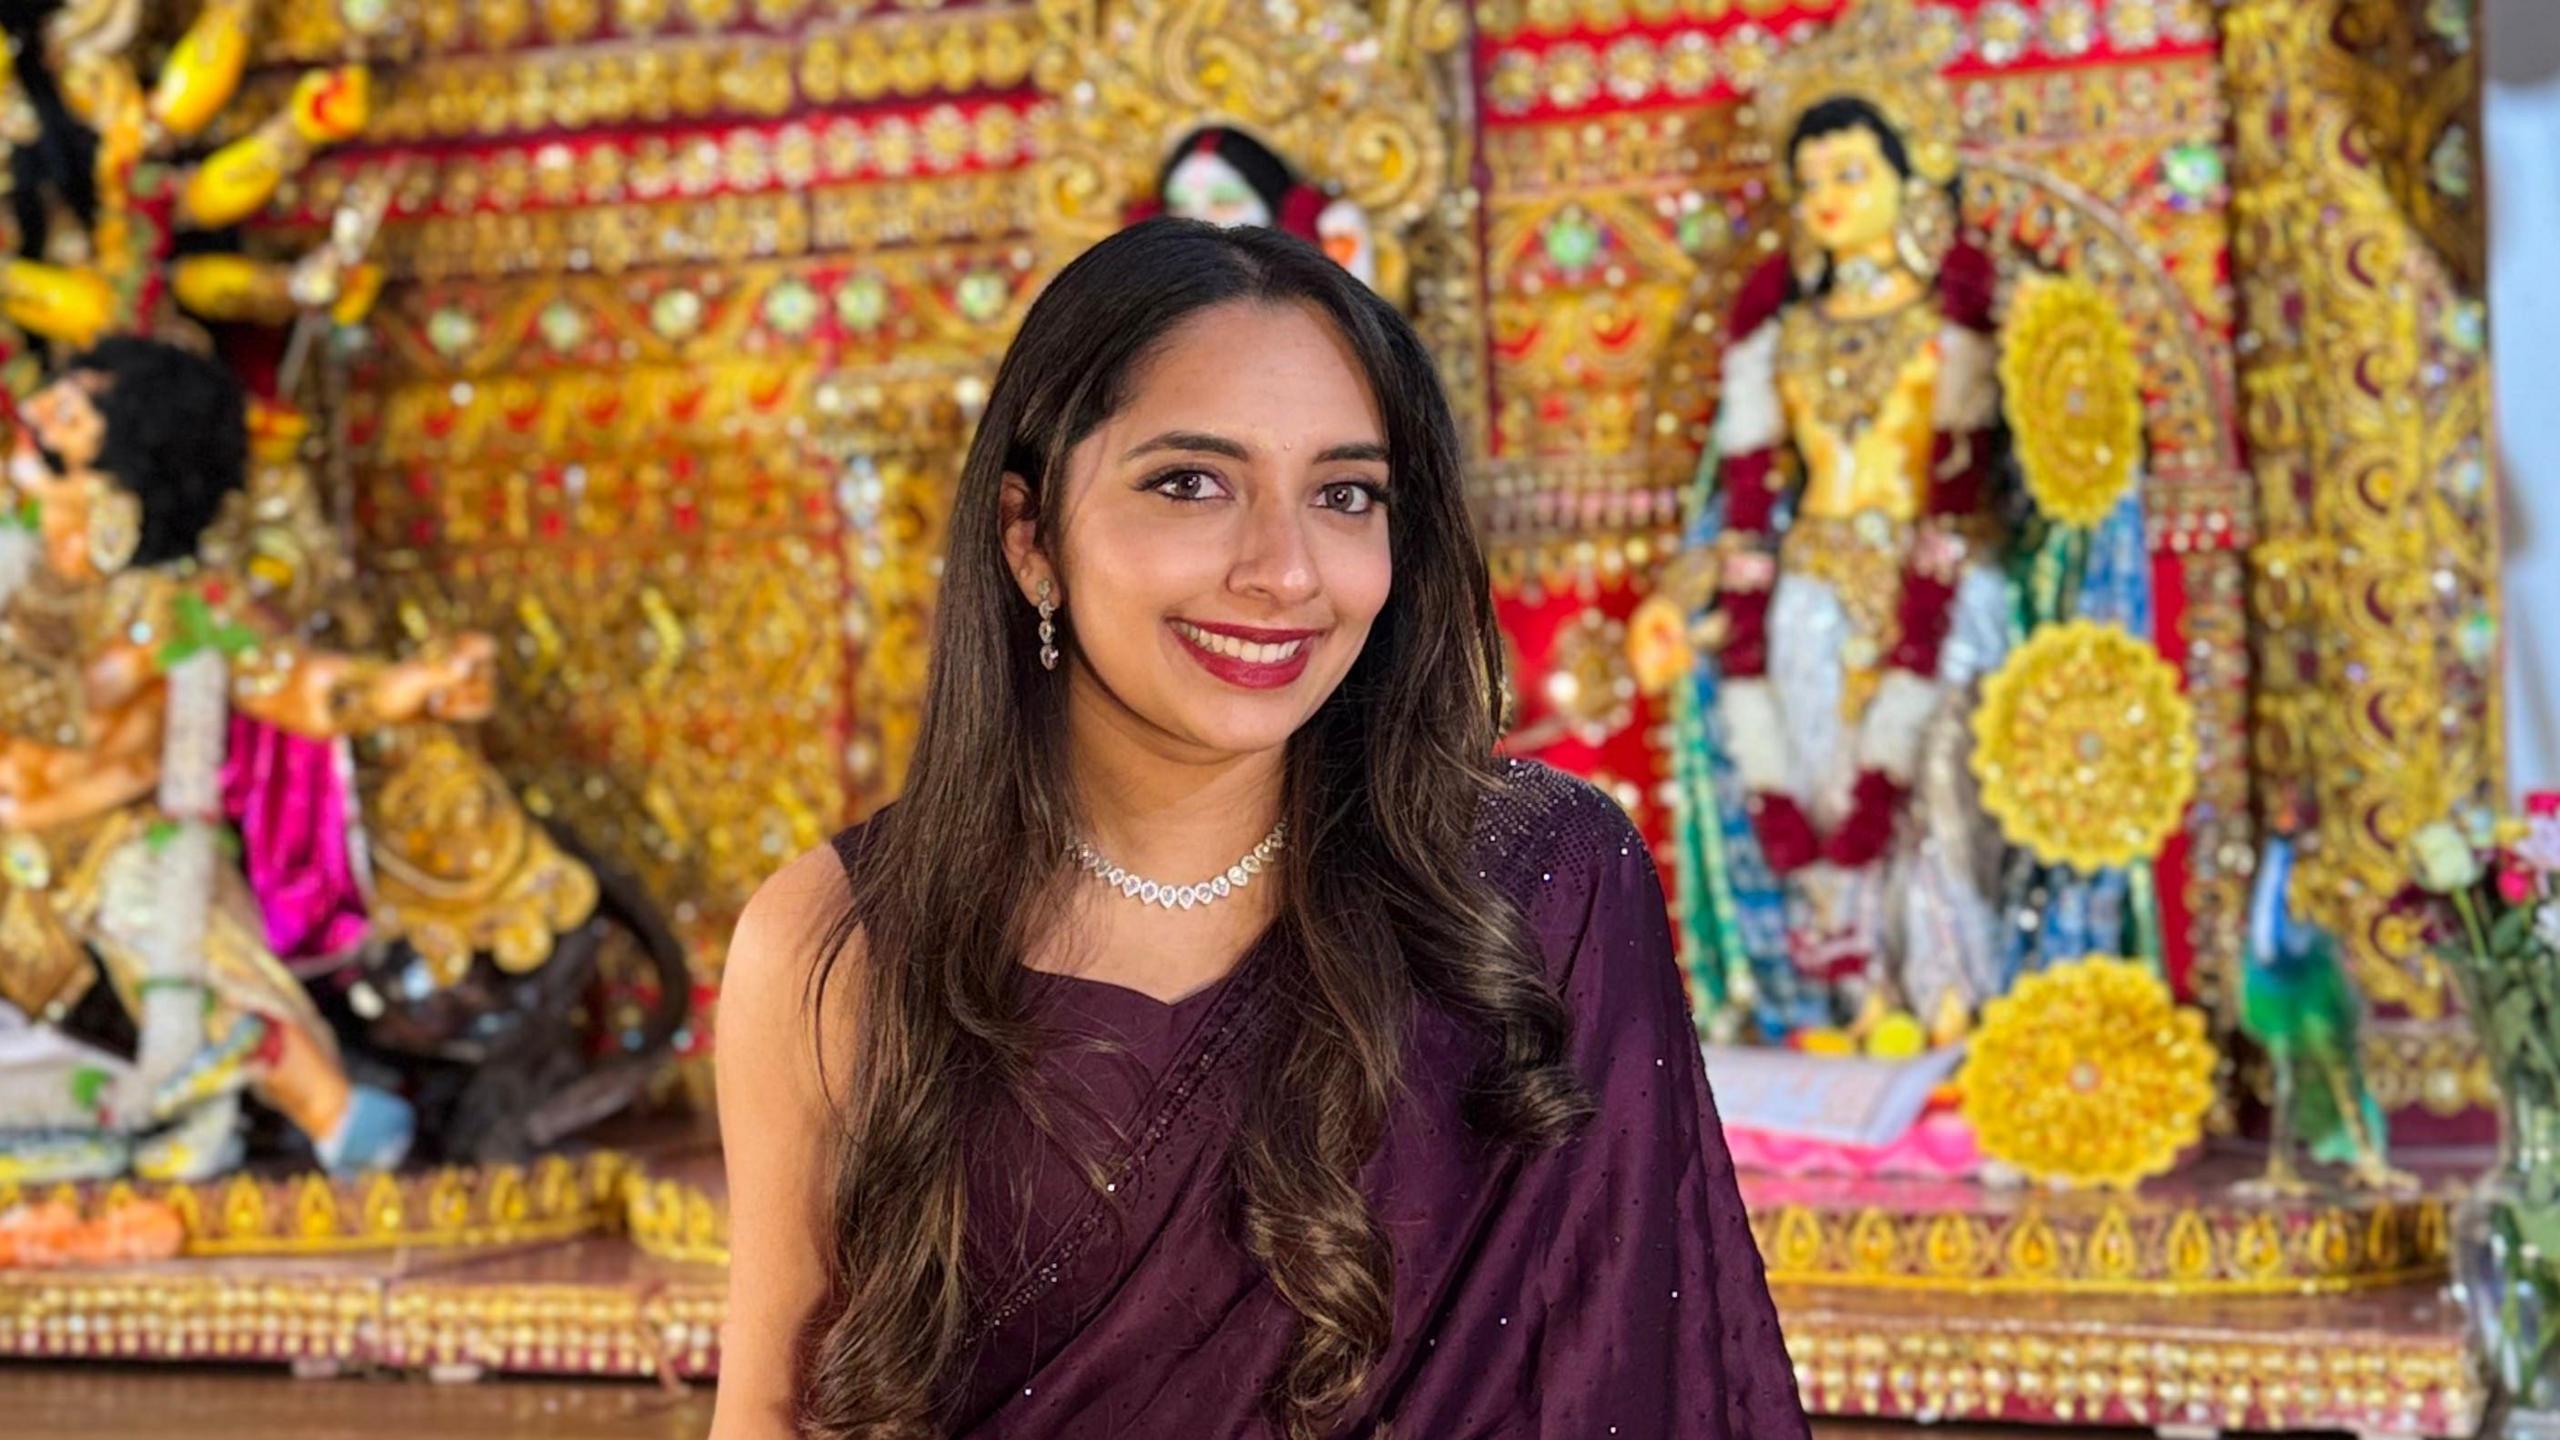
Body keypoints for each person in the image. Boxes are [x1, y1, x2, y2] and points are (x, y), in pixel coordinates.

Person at [712, 218, 1803, 1440]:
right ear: (1030, 537)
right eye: (1191, 483)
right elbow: (776, 1411)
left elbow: (1637, 1384)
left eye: (1344, 495)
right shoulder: (839, 939)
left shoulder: (1536, 887)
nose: (1285, 570)